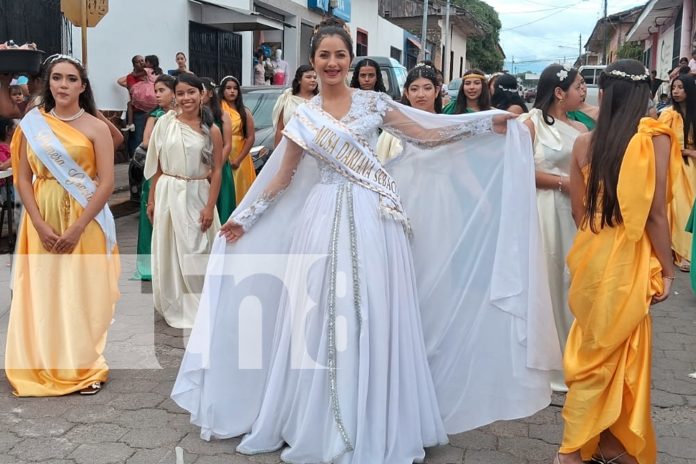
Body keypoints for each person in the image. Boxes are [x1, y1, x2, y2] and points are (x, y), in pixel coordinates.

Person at [172, 17, 560, 464]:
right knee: (322, 313)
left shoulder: (374, 103)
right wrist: (245, 217)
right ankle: (322, 420)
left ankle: (378, 417)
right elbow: (282, 176)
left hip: (375, 219)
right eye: (324, 56)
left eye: (340, 55)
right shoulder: (304, 116)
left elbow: (427, 136)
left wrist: (486, 123)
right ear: (312, 63)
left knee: (373, 310)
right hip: (322, 219)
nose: (332, 63)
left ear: (350, 60)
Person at [555, 59, 677, 464]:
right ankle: (577, 450)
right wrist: (669, 267)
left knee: (593, 350)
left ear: (602, 96)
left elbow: (578, 211)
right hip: (629, 256)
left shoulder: (582, 143)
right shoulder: (653, 139)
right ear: (644, 96)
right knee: (623, 351)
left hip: (591, 253)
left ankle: (605, 444)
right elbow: (656, 213)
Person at [5, 55, 119, 396]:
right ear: (47, 83)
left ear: (82, 87)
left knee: (82, 293)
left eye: (72, 79)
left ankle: (84, 365)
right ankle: (43, 360)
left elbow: (107, 183)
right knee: (44, 291)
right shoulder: (32, 124)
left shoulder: (97, 127)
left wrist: (77, 228)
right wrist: (38, 224)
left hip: (85, 222)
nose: (64, 85)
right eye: (57, 78)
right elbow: (23, 179)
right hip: (41, 219)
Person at [519, 64, 587, 392]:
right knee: (545, 279)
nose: (584, 91)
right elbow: (519, 171)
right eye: (579, 86)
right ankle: (544, 360)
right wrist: (565, 183)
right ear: (559, 92)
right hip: (543, 208)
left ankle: (572, 357)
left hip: (573, 212)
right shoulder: (531, 124)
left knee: (570, 280)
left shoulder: (578, 126)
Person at [144, 73, 223, 329]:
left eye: (191, 92)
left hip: (196, 192)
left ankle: (202, 303)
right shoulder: (165, 124)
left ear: (202, 94)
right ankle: (175, 303)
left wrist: (210, 206)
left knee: (195, 247)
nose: (186, 98)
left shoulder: (211, 130)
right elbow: (157, 165)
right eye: (181, 93)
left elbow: (217, 170)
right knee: (169, 248)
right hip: (168, 190)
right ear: (175, 97)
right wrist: (152, 199)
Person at [132, 74, 176, 281]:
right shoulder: (156, 116)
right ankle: (150, 263)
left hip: (178, 173)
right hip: (157, 170)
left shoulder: (185, 115)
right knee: (154, 213)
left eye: (162, 91)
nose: (157, 95)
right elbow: (146, 141)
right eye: (156, 91)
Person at [658, 74, 696, 271]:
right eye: (674, 87)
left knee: (689, 210)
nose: (676, 91)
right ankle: (679, 253)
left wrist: (688, 151)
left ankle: (689, 252)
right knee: (677, 207)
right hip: (672, 167)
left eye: (680, 87)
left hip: (691, 168)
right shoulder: (666, 114)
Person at [376, 63, 442, 163]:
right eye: (414, 89)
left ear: (436, 91)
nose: (421, 94)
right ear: (407, 93)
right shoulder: (395, 128)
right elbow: (379, 165)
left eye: (427, 88)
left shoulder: (446, 126)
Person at [200, 76, 235, 223]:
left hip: (219, 165)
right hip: (199, 168)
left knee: (222, 209)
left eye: (201, 91)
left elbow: (227, 144)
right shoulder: (193, 116)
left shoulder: (221, 115)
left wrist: (216, 167)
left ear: (210, 93)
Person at [218, 75, 256, 203]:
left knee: (240, 190)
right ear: (222, 90)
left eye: (235, 88)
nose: (232, 91)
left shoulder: (244, 112)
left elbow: (250, 137)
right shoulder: (217, 110)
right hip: (221, 154)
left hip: (240, 156)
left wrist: (239, 159)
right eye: (228, 88)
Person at [272, 64, 318, 147]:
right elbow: (280, 128)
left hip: (314, 147)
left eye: (315, 77)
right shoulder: (287, 98)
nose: (313, 80)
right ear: (299, 80)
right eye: (308, 77)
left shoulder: (319, 100)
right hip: (289, 145)